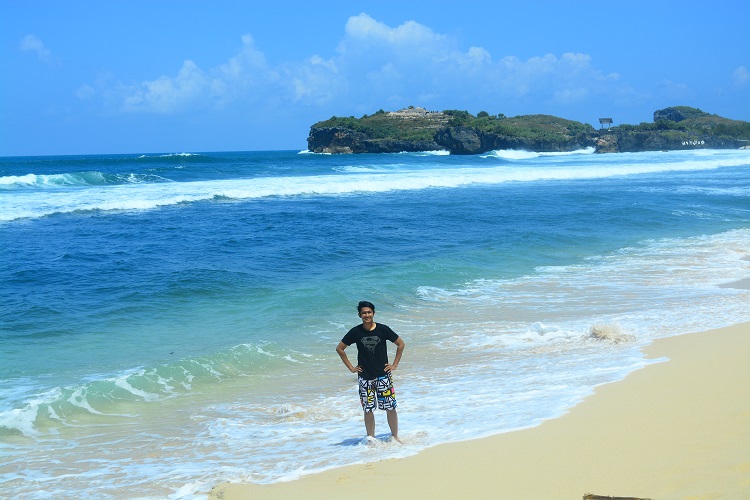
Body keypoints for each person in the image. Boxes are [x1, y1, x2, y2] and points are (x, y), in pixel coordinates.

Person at [336, 300, 405, 442]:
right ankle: (371, 439)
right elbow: (340, 348)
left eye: (369, 312)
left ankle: (395, 437)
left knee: (390, 407)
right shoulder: (355, 332)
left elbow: (400, 344)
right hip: (364, 378)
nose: (366, 315)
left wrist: (394, 364)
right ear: (359, 315)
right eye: (364, 313)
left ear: (373, 313)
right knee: (368, 410)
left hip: (383, 376)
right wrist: (351, 367)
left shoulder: (383, 329)